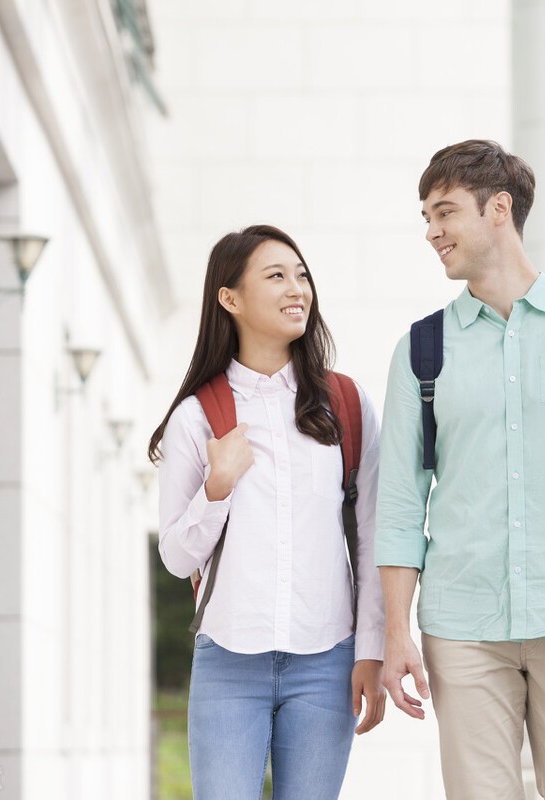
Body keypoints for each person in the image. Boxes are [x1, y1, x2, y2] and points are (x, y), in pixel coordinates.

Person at [376, 140, 545, 799]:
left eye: (444, 212)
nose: (432, 231)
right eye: (425, 217)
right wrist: (397, 633)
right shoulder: (421, 351)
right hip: (462, 629)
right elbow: (399, 503)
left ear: (498, 208)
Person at [148, 224, 385, 800]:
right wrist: (218, 487)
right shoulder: (196, 418)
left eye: (301, 275)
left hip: (327, 661)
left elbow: (376, 534)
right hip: (229, 663)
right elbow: (178, 559)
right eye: (276, 276)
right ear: (230, 299)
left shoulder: (346, 405)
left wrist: (373, 649)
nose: (296, 289)